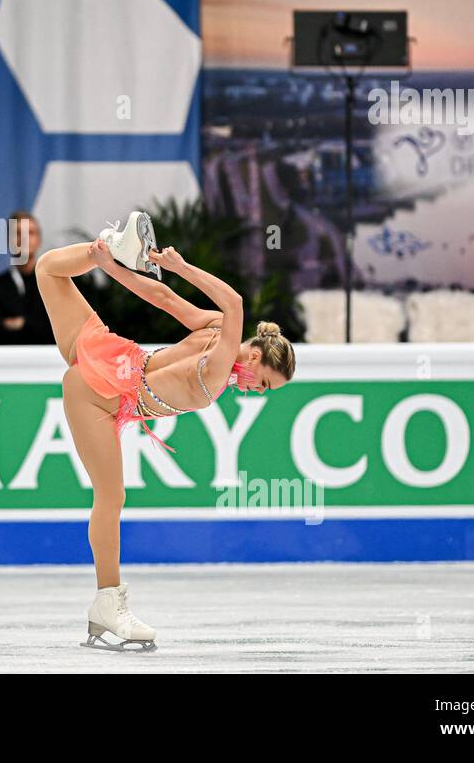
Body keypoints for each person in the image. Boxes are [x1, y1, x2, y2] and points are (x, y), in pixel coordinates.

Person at [35, 210, 296, 652]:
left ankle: (105, 245)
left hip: (111, 357)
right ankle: (108, 602)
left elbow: (165, 299)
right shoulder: (218, 364)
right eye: (265, 383)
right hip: (101, 392)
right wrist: (162, 267)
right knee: (111, 497)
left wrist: (117, 266)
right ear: (254, 360)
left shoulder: (216, 338)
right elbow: (222, 303)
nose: (258, 391)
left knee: (48, 270)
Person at [0, 210, 53, 344]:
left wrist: (23, 323)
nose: (24, 239)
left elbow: (58, 330)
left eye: (30, 233)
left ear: (39, 240)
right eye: (18, 233)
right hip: (9, 362)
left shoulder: (55, 283)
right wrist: (36, 325)